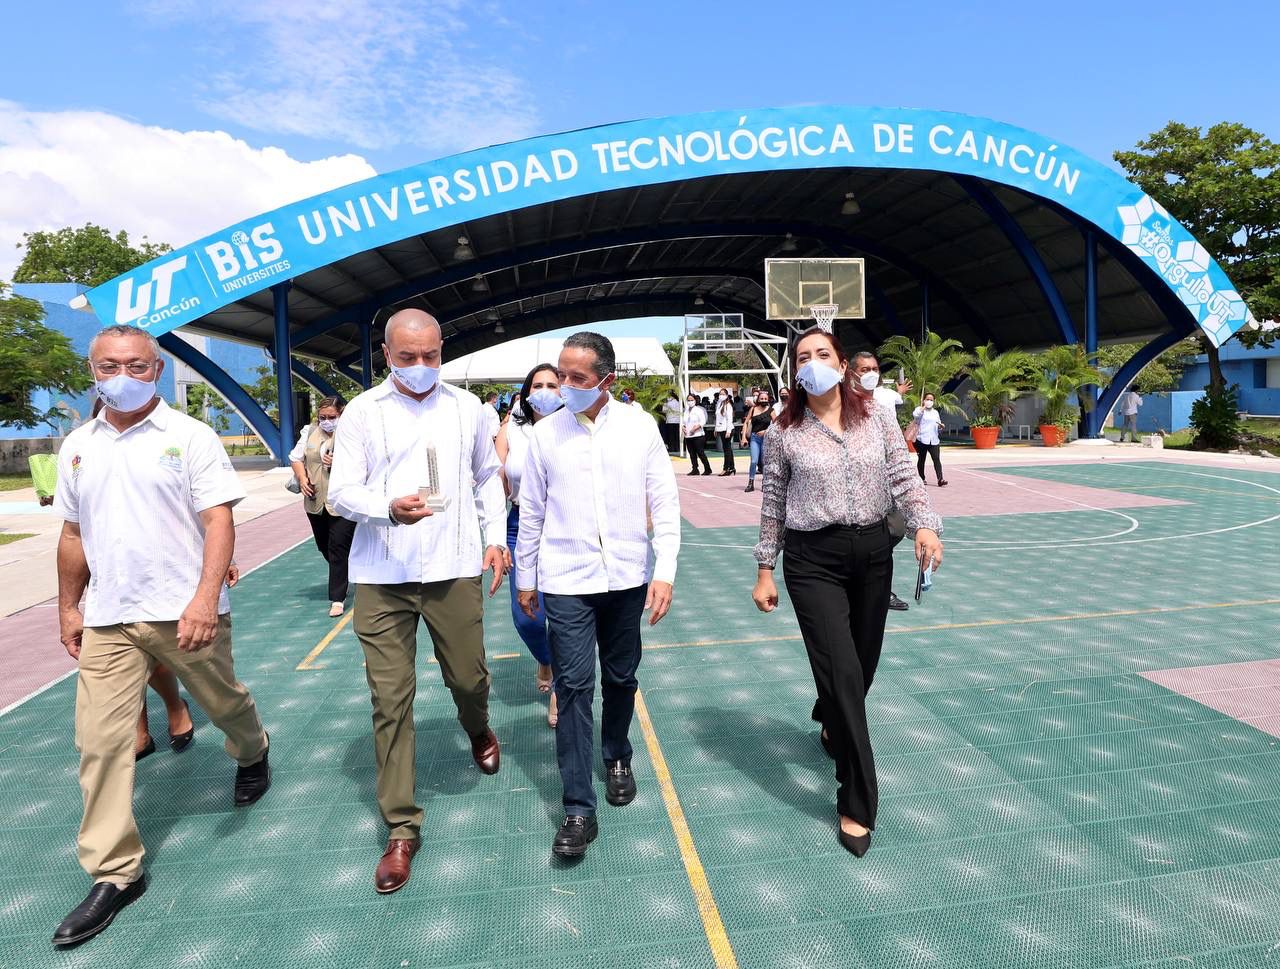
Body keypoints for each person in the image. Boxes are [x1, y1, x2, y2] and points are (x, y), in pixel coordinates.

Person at [51, 325, 270, 947]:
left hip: (185, 610)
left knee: (222, 700)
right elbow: (72, 535)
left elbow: (217, 518)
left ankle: (251, 749)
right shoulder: (77, 446)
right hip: (109, 617)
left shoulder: (190, 437)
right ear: (92, 370)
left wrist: (205, 598)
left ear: (157, 371)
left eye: (138, 366)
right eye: (109, 366)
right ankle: (115, 872)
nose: (123, 376)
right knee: (100, 744)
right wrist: (69, 607)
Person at [328, 308, 509, 895]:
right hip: (384, 573)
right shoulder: (362, 413)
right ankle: (402, 828)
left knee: (467, 677)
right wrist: (387, 507)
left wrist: (495, 538)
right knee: (390, 697)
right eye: (408, 357)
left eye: (431, 355)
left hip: (454, 567)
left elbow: (486, 476)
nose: (422, 366)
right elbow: (341, 493)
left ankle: (477, 726)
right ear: (387, 355)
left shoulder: (467, 409)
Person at [751, 327, 943, 858]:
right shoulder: (784, 431)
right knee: (844, 675)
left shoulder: (877, 414)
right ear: (795, 370)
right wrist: (765, 568)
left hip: (874, 552)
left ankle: (829, 714)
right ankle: (857, 799)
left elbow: (903, 473)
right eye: (803, 357)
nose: (813, 364)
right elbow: (773, 504)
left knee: (862, 668)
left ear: (842, 364)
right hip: (813, 560)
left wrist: (925, 525)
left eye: (823, 354)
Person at [514, 331, 680, 858]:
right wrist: (526, 577)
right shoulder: (544, 436)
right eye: (560, 376)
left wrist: (665, 570)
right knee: (574, 687)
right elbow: (533, 511)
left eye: (576, 378)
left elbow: (666, 501)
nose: (564, 386)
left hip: (628, 577)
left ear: (606, 379)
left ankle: (616, 755)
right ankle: (578, 808)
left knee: (621, 676)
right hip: (566, 580)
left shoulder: (639, 428)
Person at [495, 363, 561, 728]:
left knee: (566, 614)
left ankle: (560, 689)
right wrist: (493, 537)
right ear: (525, 392)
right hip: (520, 525)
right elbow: (492, 476)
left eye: (553, 384)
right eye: (538, 385)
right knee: (527, 617)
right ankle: (546, 657)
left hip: (564, 527)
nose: (546, 391)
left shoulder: (573, 426)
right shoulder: (511, 430)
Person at [289, 397, 357, 618]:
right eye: (323, 418)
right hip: (315, 501)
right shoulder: (310, 433)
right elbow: (296, 458)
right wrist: (302, 478)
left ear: (341, 414)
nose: (326, 422)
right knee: (324, 546)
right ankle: (346, 572)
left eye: (331, 417)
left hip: (342, 502)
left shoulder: (351, 433)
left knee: (338, 547)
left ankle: (337, 598)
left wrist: (340, 464)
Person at [857, 352, 913, 613]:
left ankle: (873, 580)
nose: (870, 373)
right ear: (850, 373)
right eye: (864, 369)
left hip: (887, 486)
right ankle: (879, 590)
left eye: (874, 368)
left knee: (896, 530)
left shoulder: (886, 398)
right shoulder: (845, 404)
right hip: (860, 490)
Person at [911, 392, 948, 486]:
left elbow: (937, 423)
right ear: (924, 400)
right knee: (922, 459)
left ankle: (940, 479)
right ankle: (922, 478)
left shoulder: (935, 412)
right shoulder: (919, 410)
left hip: (934, 439)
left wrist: (941, 426)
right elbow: (916, 415)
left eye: (931, 400)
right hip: (921, 439)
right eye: (927, 399)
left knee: (936, 459)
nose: (929, 401)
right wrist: (923, 407)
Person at [741, 390, 773, 493]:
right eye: (761, 398)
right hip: (754, 438)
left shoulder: (771, 410)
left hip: (766, 438)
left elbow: (777, 425)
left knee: (764, 462)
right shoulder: (753, 409)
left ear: (768, 400)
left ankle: (765, 483)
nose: (763, 400)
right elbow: (746, 423)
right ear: (758, 399)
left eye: (765, 398)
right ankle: (751, 483)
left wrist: (766, 431)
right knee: (754, 461)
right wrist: (744, 437)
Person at [682, 393, 713, 475]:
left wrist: (695, 428)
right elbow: (684, 422)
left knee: (700, 453)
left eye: (691, 400)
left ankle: (707, 468)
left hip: (698, 435)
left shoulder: (699, 410)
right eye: (688, 400)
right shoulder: (686, 411)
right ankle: (695, 469)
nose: (690, 401)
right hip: (688, 436)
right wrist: (683, 427)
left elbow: (703, 421)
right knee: (692, 453)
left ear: (695, 401)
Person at [714, 391, 737, 476]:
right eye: (720, 394)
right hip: (720, 429)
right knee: (728, 449)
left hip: (727, 429)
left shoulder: (728, 405)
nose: (721, 395)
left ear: (727, 395)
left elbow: (729, 419)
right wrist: (716, 429)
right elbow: (718, 418)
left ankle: (726, 468)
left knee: (726, 450)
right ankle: (731, 467)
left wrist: (728, 431)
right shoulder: (719, 404)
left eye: (723, 394)